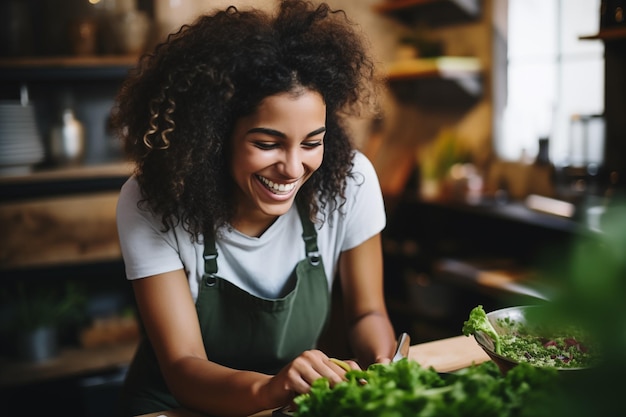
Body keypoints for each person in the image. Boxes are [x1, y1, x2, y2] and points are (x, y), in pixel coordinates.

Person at [111, 1, 396, 415]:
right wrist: (271, 389)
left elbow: (368, 312)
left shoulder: (349, 181)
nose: (293, 167)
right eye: (267, 144)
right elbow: (182, 364)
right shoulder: (153, 200)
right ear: (213, 136)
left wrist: (383, 364)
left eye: (312, 142)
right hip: (173, 407)